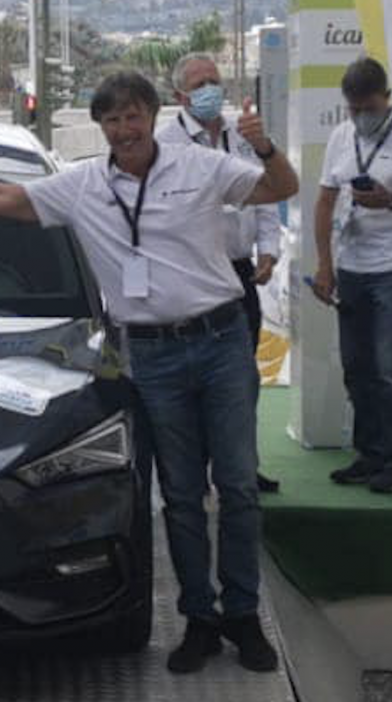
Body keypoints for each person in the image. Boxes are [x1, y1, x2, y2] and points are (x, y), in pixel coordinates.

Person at [0, 72, 298, 675]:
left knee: (239, 486)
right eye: (112, 120)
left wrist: (266, 146)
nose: (124, 130)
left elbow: (282, 187)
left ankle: (243, 615)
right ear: (101, 127)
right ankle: (200, 617)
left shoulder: (201, 166)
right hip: (151, 355)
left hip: (219, 341)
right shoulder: (84, 185)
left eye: (132, 116)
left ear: (152, 115)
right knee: (178, 495)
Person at [157, 52, 282, 494]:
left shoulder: (243, 134)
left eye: (214, 80)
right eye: (199, 84)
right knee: (198, 380)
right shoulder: (166, 144)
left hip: (241, 272)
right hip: (192, 275)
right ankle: (200, 468)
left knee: (243, 378)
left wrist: (269, 249)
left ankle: (242, 464)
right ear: (180, 95)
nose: (210, 89)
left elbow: (265, 193)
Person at [310, 57, 392, 494]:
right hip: (351, 265)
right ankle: (369, 452)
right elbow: (325, 201)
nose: (360, 117)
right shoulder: (341, 136)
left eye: (368, 108)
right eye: (353, 109)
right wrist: (324, 264)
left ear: (387, 98)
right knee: (356, 366)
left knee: (389, 368)